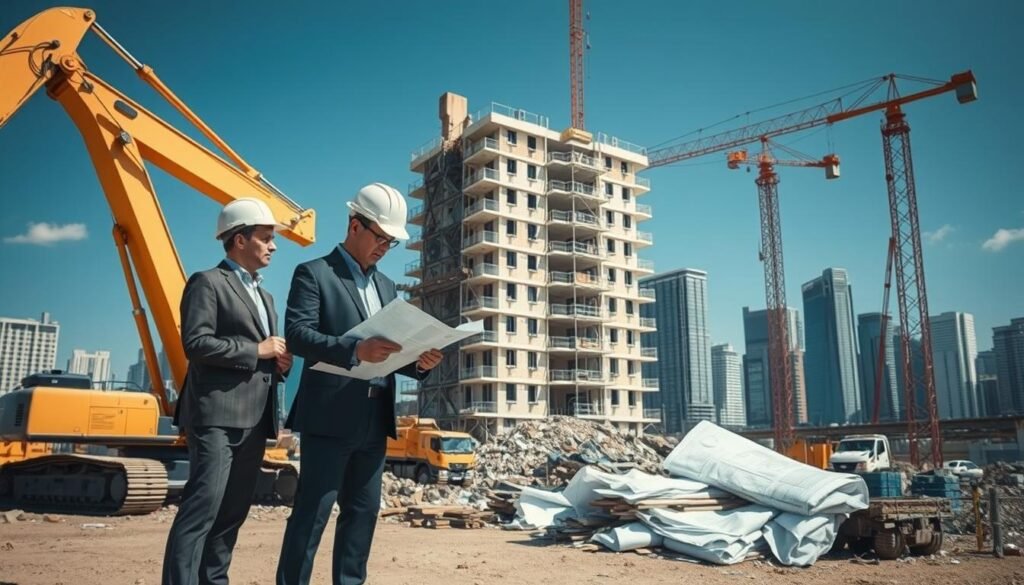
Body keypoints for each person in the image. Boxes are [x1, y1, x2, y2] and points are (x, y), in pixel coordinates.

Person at [277, 183, 443, 585]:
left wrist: (419, 363)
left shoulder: (387, 287)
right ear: (355, 225)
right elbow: (298, 335)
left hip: (374, 420)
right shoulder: (314, 274)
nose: (385, 247)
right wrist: (354, 351)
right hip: (329, 418)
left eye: (391, 242)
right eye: (381, 237)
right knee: (312, 515)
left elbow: (388, 351)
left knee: (363, 515)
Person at [163, 198, 293, 585]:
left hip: (254, 420)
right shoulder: (207, 282)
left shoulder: (266, 297)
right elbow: (196, 343)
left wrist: (277, 363)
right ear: (240, 239)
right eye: (266, 238)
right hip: (216, 417)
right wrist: (257, 350)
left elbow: (260, 357)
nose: (273, 246)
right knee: (202, 508)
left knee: (232, 513)